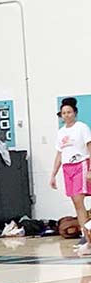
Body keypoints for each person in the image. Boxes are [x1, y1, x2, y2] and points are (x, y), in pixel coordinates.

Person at [49, 97, 91, 255]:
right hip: (68, 168)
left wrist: (90, 169)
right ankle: (86, 238)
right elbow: (59, 154)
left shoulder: (82, 128)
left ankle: (87, 239)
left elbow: (89, 147)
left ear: (75, 113)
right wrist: (53, 174)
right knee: (76, 203)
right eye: (63, 113)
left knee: (79, 201)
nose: (66, 115)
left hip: (81, 164)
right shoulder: (61, 133)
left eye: (69, 112)